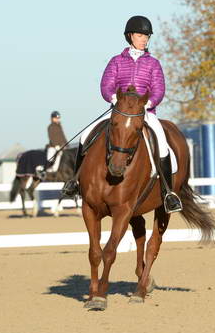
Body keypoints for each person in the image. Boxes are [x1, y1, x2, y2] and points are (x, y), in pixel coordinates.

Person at [63, 16, 182, 212]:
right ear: (130, 36)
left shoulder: (153, 63)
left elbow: (159, 89)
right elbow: (106, 85)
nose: (144, 39)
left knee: (161, 143)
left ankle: (169, 193)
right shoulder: (116, 61)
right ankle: (75, 182)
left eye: (147, 36)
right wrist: (113, 99)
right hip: (118, 111)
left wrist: (148, 104)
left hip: (144, 112)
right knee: (86, 135)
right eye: (140, 35)